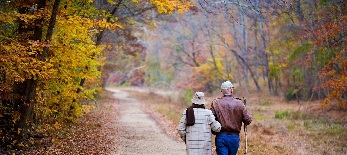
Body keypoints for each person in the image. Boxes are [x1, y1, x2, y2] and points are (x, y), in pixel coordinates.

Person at [211, 81, 252, 155]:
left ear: (222, 91)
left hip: (221, 136)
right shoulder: (239, 103)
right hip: (234, 137)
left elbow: (211, 119)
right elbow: (248, 120)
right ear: (231, 90)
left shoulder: (215, 103)